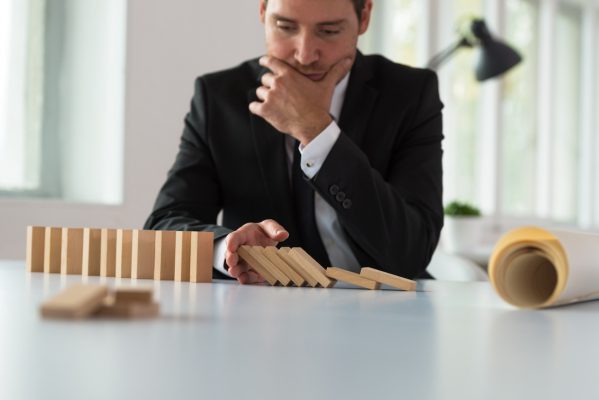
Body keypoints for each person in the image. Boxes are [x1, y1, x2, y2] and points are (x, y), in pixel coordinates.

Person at [144, 0, 444, 284]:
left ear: (364, 16)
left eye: (328, 31)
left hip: (388, 313)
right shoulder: (220, 98)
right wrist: (229, 249)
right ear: (263, 10)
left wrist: (317, 131)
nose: (305, 54)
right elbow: (164, 225)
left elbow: (412, 253)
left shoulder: (410, 95)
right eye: (285, 27)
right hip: (262, 317)